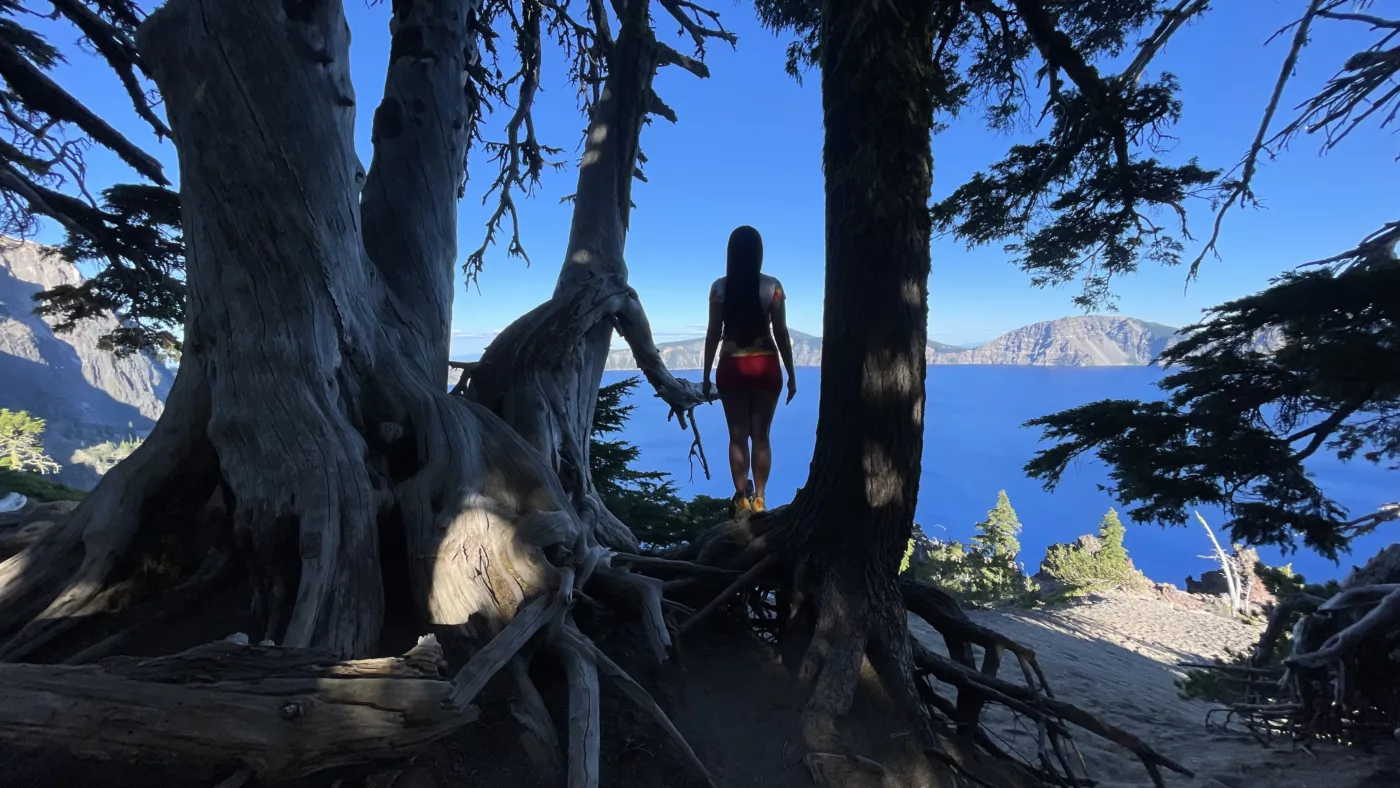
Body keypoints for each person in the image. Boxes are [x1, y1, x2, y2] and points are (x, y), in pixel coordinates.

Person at [701, 226, 797, 514]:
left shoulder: (719, 287)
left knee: (737, 436)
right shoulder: (773, 287)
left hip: (731, 367)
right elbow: (780, 331)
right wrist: (791, 372)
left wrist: (705, 375)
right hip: (766, 366)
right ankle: (761, 499)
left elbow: (712, 332)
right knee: (762, 436)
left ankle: (741, 497)